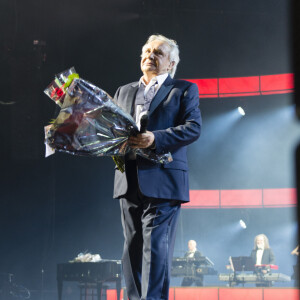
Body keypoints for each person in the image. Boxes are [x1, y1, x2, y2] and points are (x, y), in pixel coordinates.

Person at [113, 34, 202, 300]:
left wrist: (156, 138)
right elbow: (114, 131)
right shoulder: (123, 91)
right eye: (147, 51)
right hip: (127, 178)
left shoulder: (184, 89)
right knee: (131, 248)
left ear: (171, 62)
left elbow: (193, 128)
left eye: (158, 53)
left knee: (156, 247)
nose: (150, 56)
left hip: (164, 180)